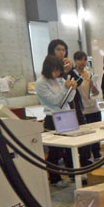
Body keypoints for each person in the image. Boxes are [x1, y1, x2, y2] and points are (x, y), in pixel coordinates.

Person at [35, 55, 77, 188]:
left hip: (66, 115)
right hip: (53, 118)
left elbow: (68, 99)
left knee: (70, 147)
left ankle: (74, 175)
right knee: (55, 151)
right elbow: (54, 101)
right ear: (49, 68)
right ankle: (54, 178)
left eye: (59, 70)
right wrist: (65, 88)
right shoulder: (41, 82)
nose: (58, 73)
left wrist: (72, 89)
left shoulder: (59, 79)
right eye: (56, 70)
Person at [48, 39, 85, 125]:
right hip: (59, 104)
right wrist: (64, 72)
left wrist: (71, 69)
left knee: (80, 125)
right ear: (52, 50)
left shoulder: (67, 65)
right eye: (58, 49)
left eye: (63, 50)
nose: (61, 52)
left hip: (74, 102)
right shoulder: (49, 66)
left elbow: (79, 82)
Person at [74, 51, 102, 162]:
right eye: (80, 59)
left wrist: (93, 86)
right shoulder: (73, 75)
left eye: (85, 59)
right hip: (82, 110)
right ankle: (86, 158)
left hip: (94, 108)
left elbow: (97, 93)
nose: (82, 62)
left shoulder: (91, 74)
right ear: (75, 61)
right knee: (85, 136)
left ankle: (97, 154)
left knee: (97, 133)